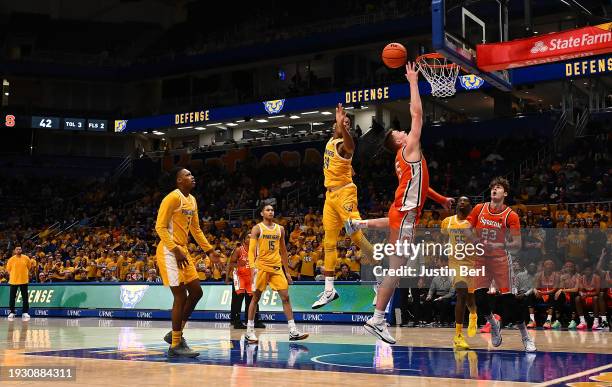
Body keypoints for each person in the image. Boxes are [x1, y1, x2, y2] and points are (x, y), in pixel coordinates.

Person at [345, 62, 453, 344]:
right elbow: (417, 114)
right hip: (405, 216)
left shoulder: (403, 159)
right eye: (398, 133)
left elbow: (423, 187)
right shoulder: (409, 148)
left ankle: (378, 314)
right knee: (397, 270)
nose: (403, 132)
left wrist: (441, 200)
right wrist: (413, 81)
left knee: (396, 268)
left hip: (400, 214)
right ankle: (378, 318)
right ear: (398, 142)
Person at [311, 102, 375, 309]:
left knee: (355, 236)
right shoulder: (332, 140)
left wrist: (344, 128)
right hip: (330, 197)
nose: (345, 124)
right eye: (342, 122)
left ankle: (381, 276)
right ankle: (329, 290)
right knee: (328, 243)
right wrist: (350, 169)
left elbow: (350, 148)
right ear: (334, 125)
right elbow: (343, 162)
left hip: (345, 194)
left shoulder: (344, 144)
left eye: (348, 123)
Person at [467, 177, 536, 352]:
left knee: (510, 303)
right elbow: (467, 228)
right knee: (479, 299)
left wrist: (500, 244)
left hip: (500, 260)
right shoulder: (479, 209)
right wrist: (475, 240)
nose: (494, 190)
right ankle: (493, 324)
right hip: (481, 258)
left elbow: (517, 243)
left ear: (505, 193)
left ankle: (526, 337)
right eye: (493, 188)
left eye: (498, 188)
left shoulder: (510, 215)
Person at [155, 167, 218, 358]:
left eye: (192, 174)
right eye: (188, 175)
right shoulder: (172, 198)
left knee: (197, 291)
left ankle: (176, 333)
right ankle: (175, 344)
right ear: (179, 181)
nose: (192, 177)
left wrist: (210, 251)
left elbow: (196, 230)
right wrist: (175, 249)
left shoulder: (192, 200)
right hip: (169, 250)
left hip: (183, 250)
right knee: (180, 296)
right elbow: (160, 227)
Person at [245, 204, 308, 343]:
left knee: (286, 297)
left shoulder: (280, 229)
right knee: (255, 298)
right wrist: (252, 269)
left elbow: (284, 251)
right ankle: (249, 331)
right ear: (262, 213)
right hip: (261, 267)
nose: (271, 212)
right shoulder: (257, 228)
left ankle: (293, 330)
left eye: (272, 210)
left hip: (276, 268)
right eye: (267, 210)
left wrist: (287, 272)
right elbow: (251, 251)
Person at [441, 196, 478, 350]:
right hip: (455, 263)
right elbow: (444, 238)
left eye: (466, 201)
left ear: (470, 207)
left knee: (470, 298)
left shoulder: (473, 223)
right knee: (461, 293)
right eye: (460, 200)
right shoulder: (447, 222)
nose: (462, 202)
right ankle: (458, 336)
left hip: (472, 262)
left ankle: (474, 315)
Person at [225, 232, 264, 329]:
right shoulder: (239, 250)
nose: (251, 239)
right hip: (239, 277)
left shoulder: (256, 251)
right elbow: (231, 264)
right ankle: (235, 321)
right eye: (248, 237)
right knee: (238, 300)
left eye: (252, 237)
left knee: (253, 299)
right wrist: (227, 278)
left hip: (251, 278)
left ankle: (253, 320)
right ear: (244, 240)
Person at [6, 246, 32, 322]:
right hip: (13, 281)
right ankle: (12, 312)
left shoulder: (26, 258)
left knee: (25, 298)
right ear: (14, 251)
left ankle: (25, 312)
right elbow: (8, 270)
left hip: (23, 280)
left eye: (20, 249)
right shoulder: (11, 259)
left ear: (21, 250)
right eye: (17, 249)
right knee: (12, 298)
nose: (19, 250)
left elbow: (29, 267)